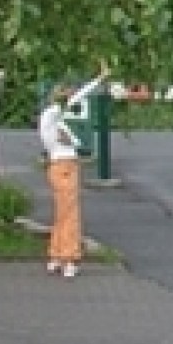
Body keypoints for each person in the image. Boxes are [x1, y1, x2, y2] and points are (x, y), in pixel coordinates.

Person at [38, 61, 109, 277]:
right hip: (64, 166)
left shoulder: (52, 118)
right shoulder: (53, 115)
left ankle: (56, 255)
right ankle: (69, 257)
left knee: (62, 213)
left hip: (60, 165)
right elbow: (76, 99)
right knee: (70, 214)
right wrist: (99, 79)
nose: (69, 95)